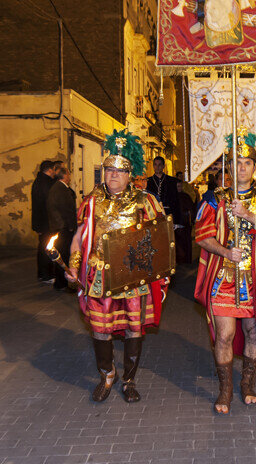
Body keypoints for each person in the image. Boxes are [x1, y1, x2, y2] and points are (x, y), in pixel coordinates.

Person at [65, 130, 169, 403]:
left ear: (130, 174)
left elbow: (159, 238)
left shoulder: (145, 201)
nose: (112, 175)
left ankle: (129, 380)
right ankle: (106, 375)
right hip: (100, 275)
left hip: (133, 276)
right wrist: (74, 266)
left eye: (119, 171)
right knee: (101, 329)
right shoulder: (92, 201)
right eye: (108, 169)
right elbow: (79, 237)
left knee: (134, 328)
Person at [194, 128, 256, 414]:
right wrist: (225, 251)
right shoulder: (215, 198)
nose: (243, 167)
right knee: (223, 335)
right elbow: (201, 236)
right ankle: (225, 389)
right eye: (237, 162)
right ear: (230, 167)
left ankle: (247, 383)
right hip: (224, 277)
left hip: (255, 280)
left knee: (252, 334)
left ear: (255, 168)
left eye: (248, 163)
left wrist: (248, 214)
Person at [46, 166, 77, 291]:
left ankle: (61, 282)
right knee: (63, 255)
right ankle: (63, 282)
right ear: (64, 176)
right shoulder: (61, 189)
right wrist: (71, 226)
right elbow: (67, 210)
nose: (69, 177)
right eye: (68, 174)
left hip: (58, 226)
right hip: (63, 228)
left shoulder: (56, 188)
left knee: (61, 254)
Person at [31, 160, 57, 283]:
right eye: (53, 170)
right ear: (50, 170)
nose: (54, 173)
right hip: (45, 222)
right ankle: (46, 275)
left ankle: (42, 274)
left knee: (42, 248)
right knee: (46, 248)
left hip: (42, 222)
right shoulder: (45, 183)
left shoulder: (39, 181)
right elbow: (48, 204)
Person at [146, 156, 181, 225]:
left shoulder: (172, 181)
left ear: (163, 166)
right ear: (153, 166)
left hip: (169, 213)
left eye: (159, 165)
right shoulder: (148, 181)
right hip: (154, 215)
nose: (157, 167)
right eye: (155, 164)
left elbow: (176, 201)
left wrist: (177, 220)